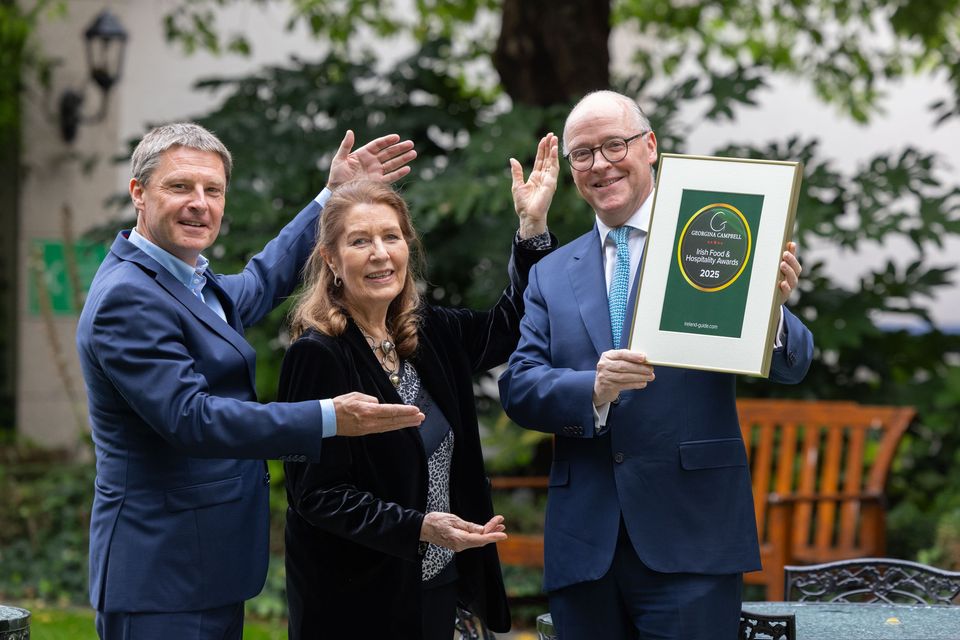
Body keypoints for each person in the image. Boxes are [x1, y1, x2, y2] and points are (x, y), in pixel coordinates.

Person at [76, 122, 425, 640]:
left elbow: (261, 280)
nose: (199, 203)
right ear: (138, 194)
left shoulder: (187, 280)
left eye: (212, 190)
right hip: (162, 579)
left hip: (206, 569)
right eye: (180, 187)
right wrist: (328, 417)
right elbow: (191, 419)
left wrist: (332, 196)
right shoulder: (128, 298)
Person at [498, 91, 815, 640]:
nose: (600, 164)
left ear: (650, 148)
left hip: (692, 537)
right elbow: (519, 386)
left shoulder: (710, 242)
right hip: (584, 547)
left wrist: (771, 312)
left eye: (614, 145)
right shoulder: (550, 272)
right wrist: (592, 388)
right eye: (583, 154)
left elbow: (794, 366)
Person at [277, 134, 560, 640]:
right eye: (360, 241)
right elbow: (316, 495)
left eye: (391, 237)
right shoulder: (318, 356)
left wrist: (532, 227)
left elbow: (512, 325)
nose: (380, 254)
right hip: (357, 600)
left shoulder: (430, 332)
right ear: (332, 260)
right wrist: (419, 527)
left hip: (439, 587)